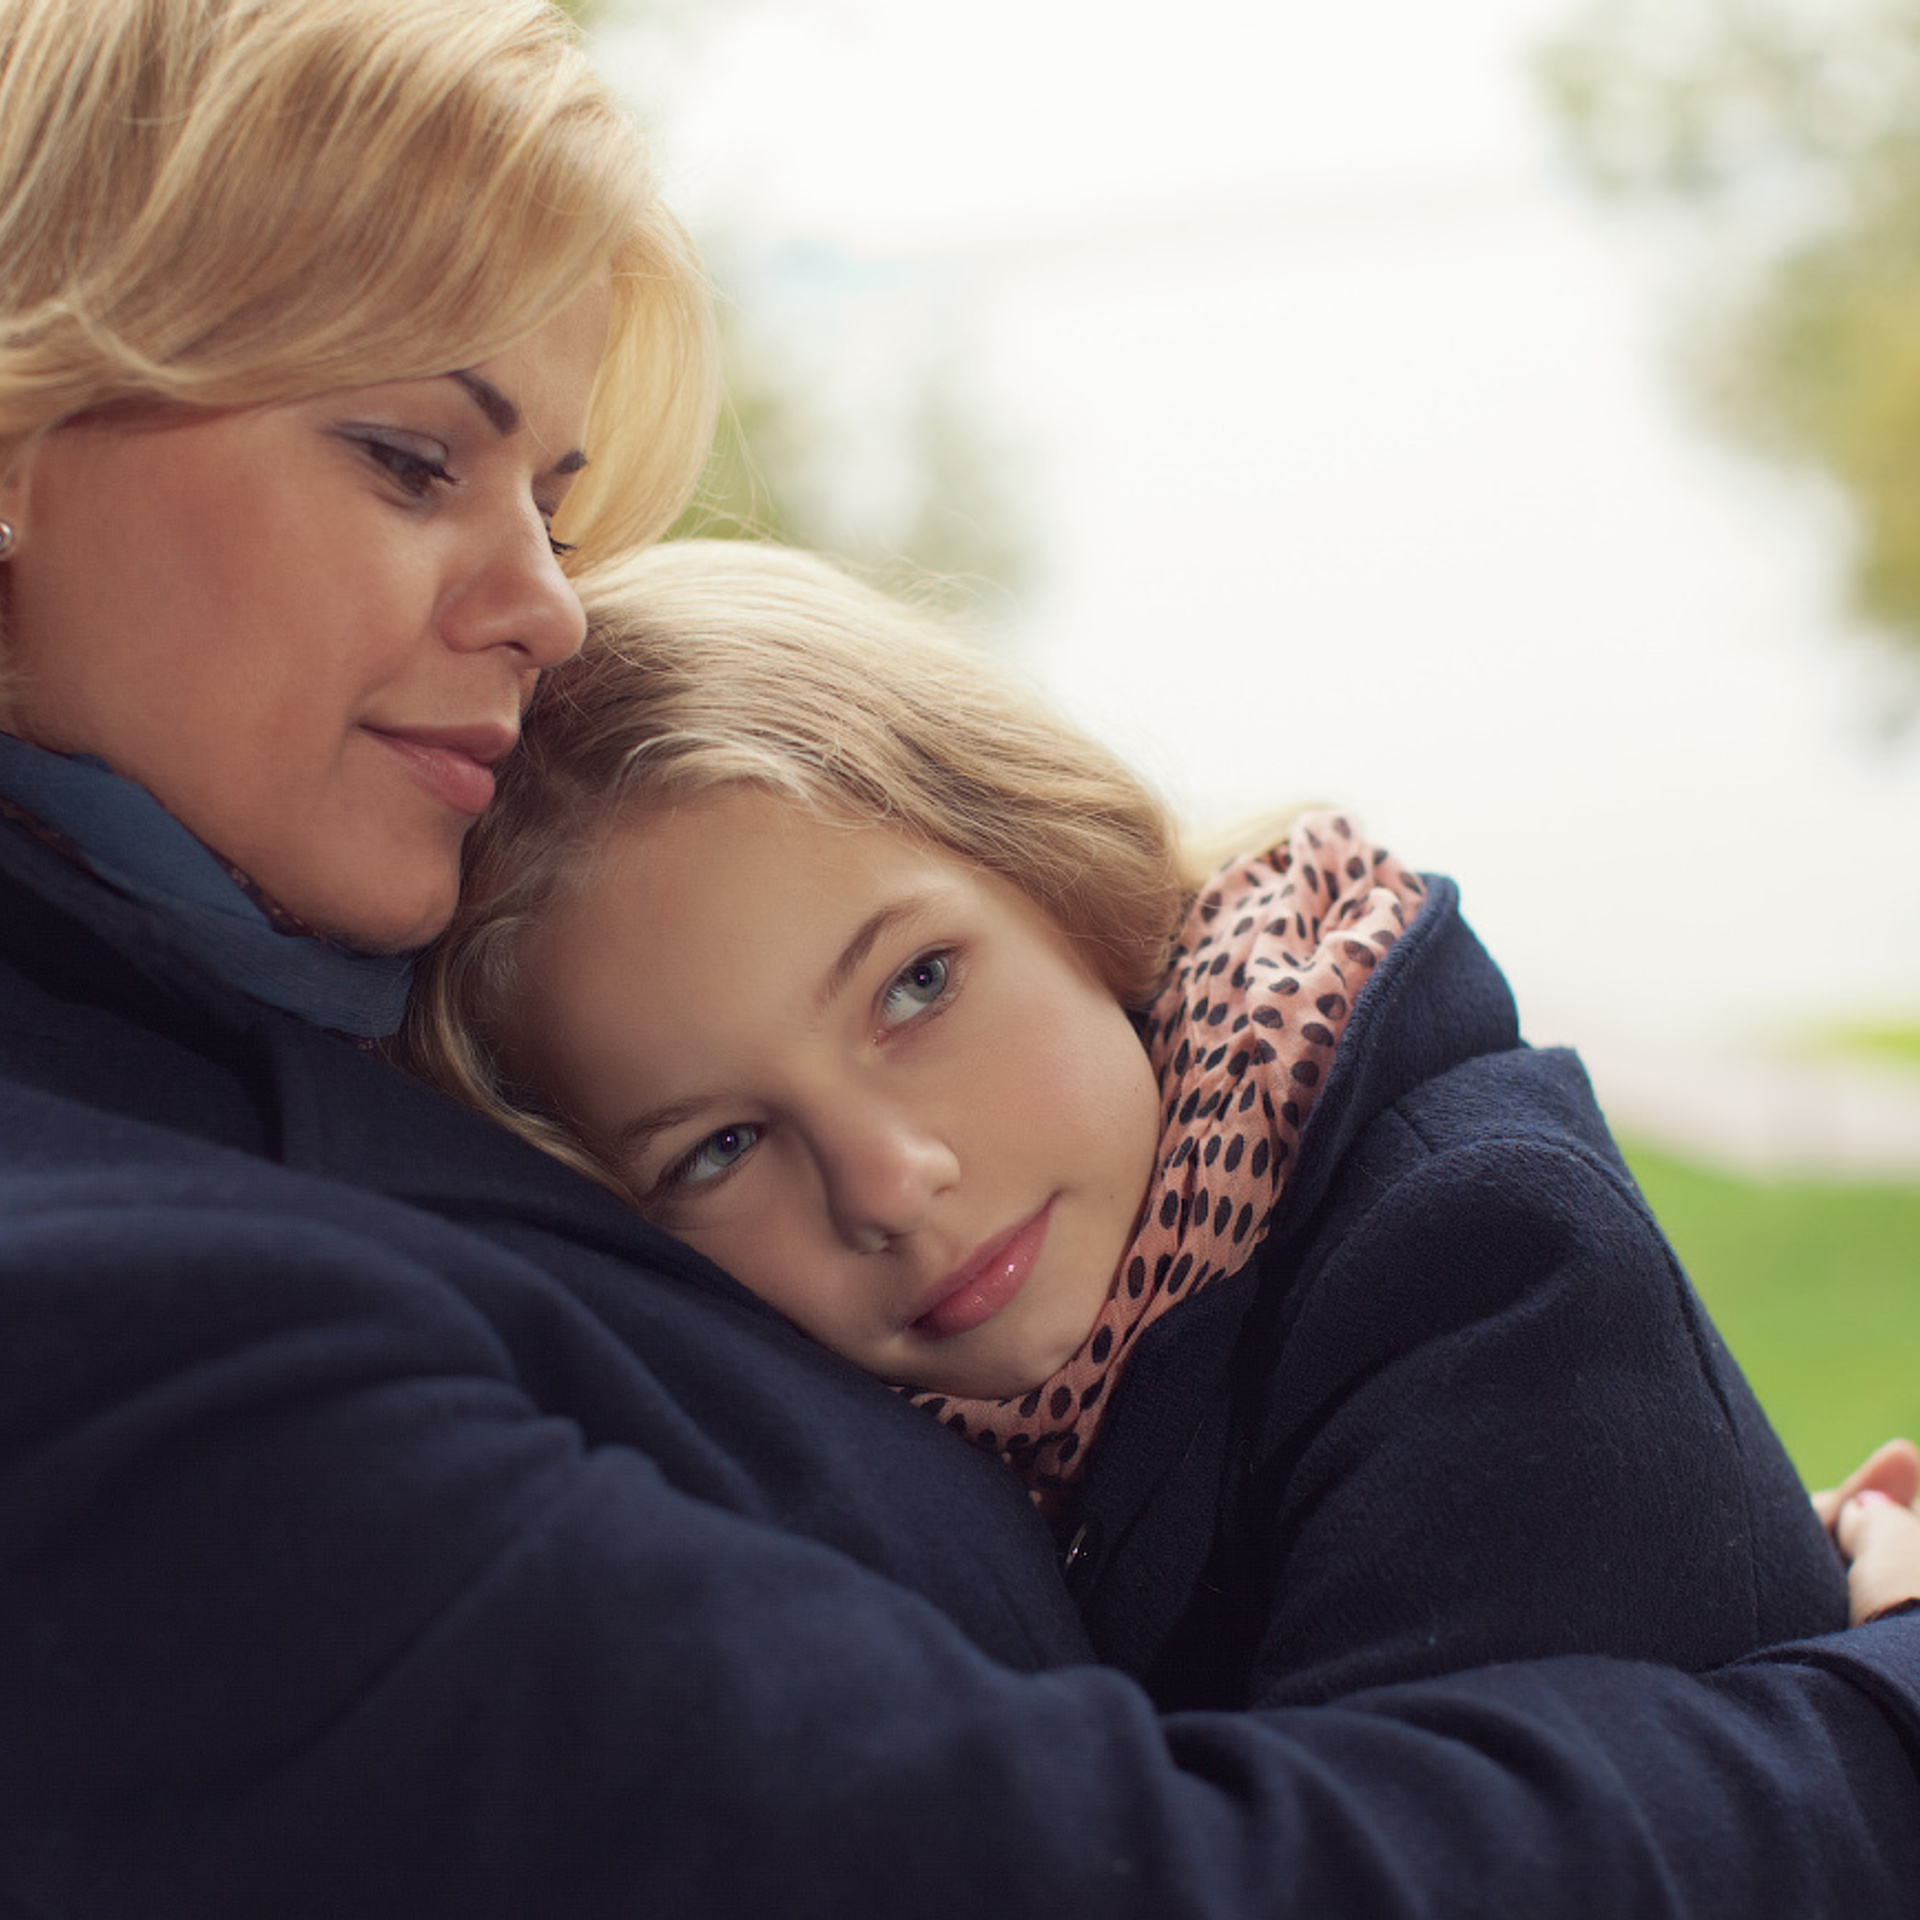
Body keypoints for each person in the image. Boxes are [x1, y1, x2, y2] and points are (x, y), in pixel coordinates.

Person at [2, 0, 1920, 1912]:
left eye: (556, 498)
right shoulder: (118, 1283)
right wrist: (1869, 1717)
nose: (549, 612)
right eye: (414, 457)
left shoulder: (1409, 1231)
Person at [407, 537, 1845, 1709]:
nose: (892, 1184)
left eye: (916, 986)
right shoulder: (924, 1443)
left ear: (1057, 870)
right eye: (719, 1147)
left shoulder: (1490, 1266)